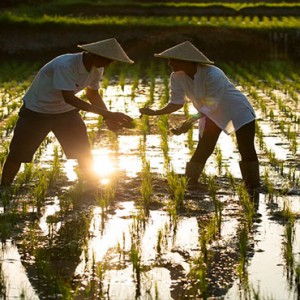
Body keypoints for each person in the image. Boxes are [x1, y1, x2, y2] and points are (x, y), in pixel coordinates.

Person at [0, 38, 134, 187]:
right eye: (106, 60)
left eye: (111, 61)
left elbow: (93, 94)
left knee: (84, 152)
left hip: (66, 113)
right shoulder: (65, 65)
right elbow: (69, 98)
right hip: (37, 111)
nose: (108, 64)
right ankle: (4, 188)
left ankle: (92, 186)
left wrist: (107, 117)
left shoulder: (97, 68)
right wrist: (108, 114)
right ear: (92, 54)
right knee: (18, 153)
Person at [139, 41, 259, 194]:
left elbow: (212, 104)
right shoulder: (176, 76)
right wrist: (155, 112)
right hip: (210, 114)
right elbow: (176, 102)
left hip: (237, 110)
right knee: (204, 147)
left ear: (187, 61)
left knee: (246, 148)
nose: (169, 63)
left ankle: (253, 186)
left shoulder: (213, 74)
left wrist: (189, 121)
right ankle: (190, 182)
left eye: (173, 60)